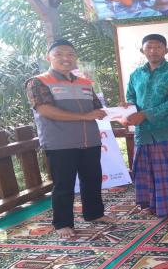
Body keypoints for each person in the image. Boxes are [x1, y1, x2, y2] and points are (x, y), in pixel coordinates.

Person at [25, 39, 113, 238]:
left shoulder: (85, 82)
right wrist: (85, 116)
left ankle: (94, 214)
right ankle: (62, 223)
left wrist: (121, 110)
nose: (66, 58)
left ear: (75, 58)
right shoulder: (38, 81)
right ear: (49, 58)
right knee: (64, 184)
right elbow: (45, 110)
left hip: (89, 140)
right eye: (59, 54)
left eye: (70, 54)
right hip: (60, 143)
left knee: (92, 180)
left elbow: (97, 109)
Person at [123, 34, 168, 217]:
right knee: (145, 170)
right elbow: (130, 97)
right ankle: (148, 205)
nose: (153, 51)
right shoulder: (136, 75)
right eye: (149, 47)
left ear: (166, 50)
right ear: (142, 51)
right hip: (143, 132)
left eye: (158, 47)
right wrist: (128, 112)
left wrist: (145, 114)